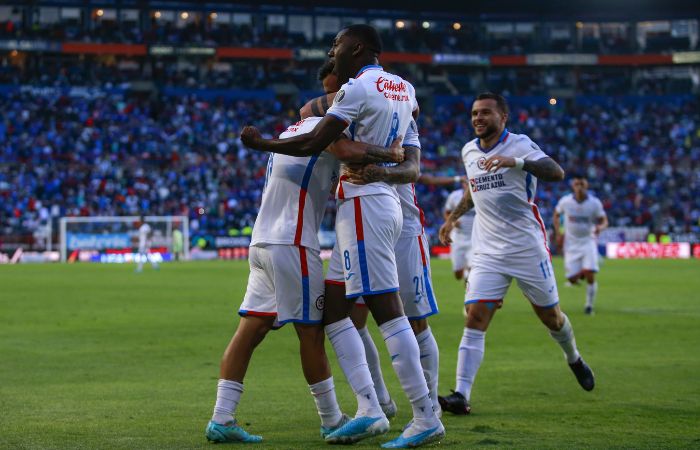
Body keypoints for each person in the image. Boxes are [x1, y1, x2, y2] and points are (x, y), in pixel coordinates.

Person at [242, 24, 444, 448]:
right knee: (334, 309)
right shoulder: (406, 90)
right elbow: (410, 160)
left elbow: (315, 138)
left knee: (388, 310)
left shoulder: (356, 88)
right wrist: (386, 164)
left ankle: (425, 415)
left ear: (356, 47)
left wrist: (261, 143)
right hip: (370, 204)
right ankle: (370, 408)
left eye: (336, 45)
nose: (332, 52)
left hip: (367, 204)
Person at [205, 60, 405, 444]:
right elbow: (346, 148)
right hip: (293, 241)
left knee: (250, 329)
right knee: (312, 333)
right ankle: (331, 418)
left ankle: (221, 419)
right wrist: (392, 155)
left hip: (262, 241)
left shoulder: (292, 127)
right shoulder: (325, 127)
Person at [437, 92, 595, 417]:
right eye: (474, 113)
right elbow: (473, 189)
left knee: (551, 318)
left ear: (503, 118)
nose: (478, 118)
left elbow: (556, 172)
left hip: (526, 246)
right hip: (488, 250)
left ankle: (573, 357)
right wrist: (453, 219)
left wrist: (517, 162)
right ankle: (461, 395)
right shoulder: (468, 150)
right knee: (475, 316)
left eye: (485, 113)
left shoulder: (520, 144)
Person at [302, 60, 443, 422]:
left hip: (402, 222)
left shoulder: (391, 111)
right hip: (365, 214)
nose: (337, 97)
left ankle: (429, 408)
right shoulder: (365, 106)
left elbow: (412, 168)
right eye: (333, 91)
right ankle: (379, 401)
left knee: (412, 318)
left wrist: (382, 169)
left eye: (340, 89)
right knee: (350, 315)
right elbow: (308, 110)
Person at [553, 175, 608, 314]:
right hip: (571, 244)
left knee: (590, 274)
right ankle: (584, 270)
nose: (579, 187)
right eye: (577, 184)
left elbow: (604, 220)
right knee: (571, 279)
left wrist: (600, 228)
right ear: (573, 185)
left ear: (587, 186)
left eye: (582, 184)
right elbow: (556, 214)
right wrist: (559, 233)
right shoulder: (565, 201)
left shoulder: (594, 203)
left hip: (588, 241)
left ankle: (589, 305)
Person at [443, 178, 475, 282]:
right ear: (462, 184)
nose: (467, 185)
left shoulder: (479, 195)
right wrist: (452, 222)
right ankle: (465, 275)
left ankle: (469, 281)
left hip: (474, 238)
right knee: (458, 274)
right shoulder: (454, 196)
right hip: (458, 238)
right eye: (466, 183)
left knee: (473, 269)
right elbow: (447, 212)